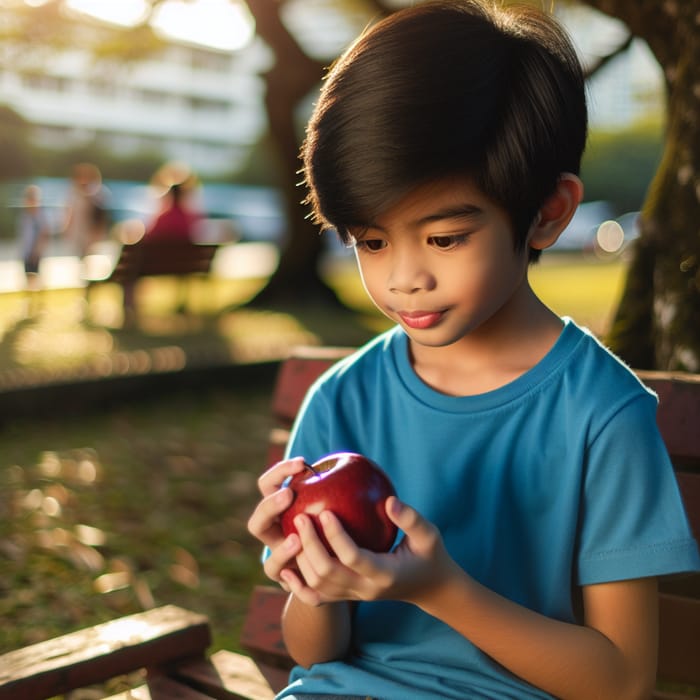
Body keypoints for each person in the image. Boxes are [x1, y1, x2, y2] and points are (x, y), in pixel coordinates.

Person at [247, 2, 700, 699]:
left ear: (547, 214)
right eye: (371, 241)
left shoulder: (602, 416)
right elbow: (315, 656)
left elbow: (623, 682)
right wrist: (313, 584)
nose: (403, 276)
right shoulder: (343, 398)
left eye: (445, 238)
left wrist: (440, 589)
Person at [63, 162, 110, 258]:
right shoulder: (73, 193)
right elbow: (70, 213)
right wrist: (67, 230)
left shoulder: (98, 194)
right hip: (78, 233)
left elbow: (100, 216)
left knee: (90, 257)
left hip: (92, 234)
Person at [17, 184, 49, 292]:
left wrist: (37, 251)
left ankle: (38, 303)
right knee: (28, 278)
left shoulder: (39, 216)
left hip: (34, 253)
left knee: (36, 278)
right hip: (26, 252)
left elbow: (43, 234)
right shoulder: (25, 215)